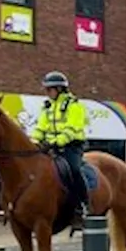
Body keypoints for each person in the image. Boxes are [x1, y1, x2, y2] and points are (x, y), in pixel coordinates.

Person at [31, 71, 88, 230]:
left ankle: (81, 206)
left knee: (74, 170)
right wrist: (35, 140)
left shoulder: (74, 105)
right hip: (51, 146)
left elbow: (73, 127)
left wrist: (57, 141)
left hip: (71, 146)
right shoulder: (47, 106)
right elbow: (40, 127)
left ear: (60, 89)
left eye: (50, 89)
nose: (47, 93)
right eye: (46, 90)